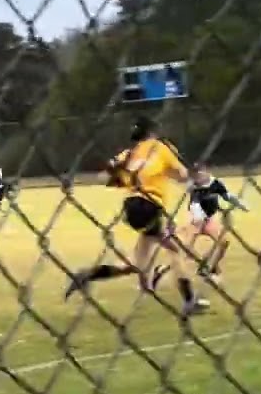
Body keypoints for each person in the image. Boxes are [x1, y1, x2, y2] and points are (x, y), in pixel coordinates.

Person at [64, 116, 204, 314]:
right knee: (174, 249)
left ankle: (86, 275)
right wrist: (174, 172)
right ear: (151, 132)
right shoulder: (160, 147)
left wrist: (126, 175)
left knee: (136, 264)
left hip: (132, 206)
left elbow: (105, 178)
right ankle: (190, 301)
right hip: (149, 205)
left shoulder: (129, 154)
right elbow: (182, 174)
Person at [186, 163, 248, 281]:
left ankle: (210, 268)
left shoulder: (215, 183)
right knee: (185, 249)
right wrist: (198, 218)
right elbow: (195, 204)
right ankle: (162, 269)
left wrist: (240, 204)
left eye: (200, 172)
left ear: (206, 171)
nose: (198, 176)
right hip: (194, 221)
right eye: (195, 174)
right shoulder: (195, 188)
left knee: (223, 242)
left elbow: (227, 196)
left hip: (208, 220)